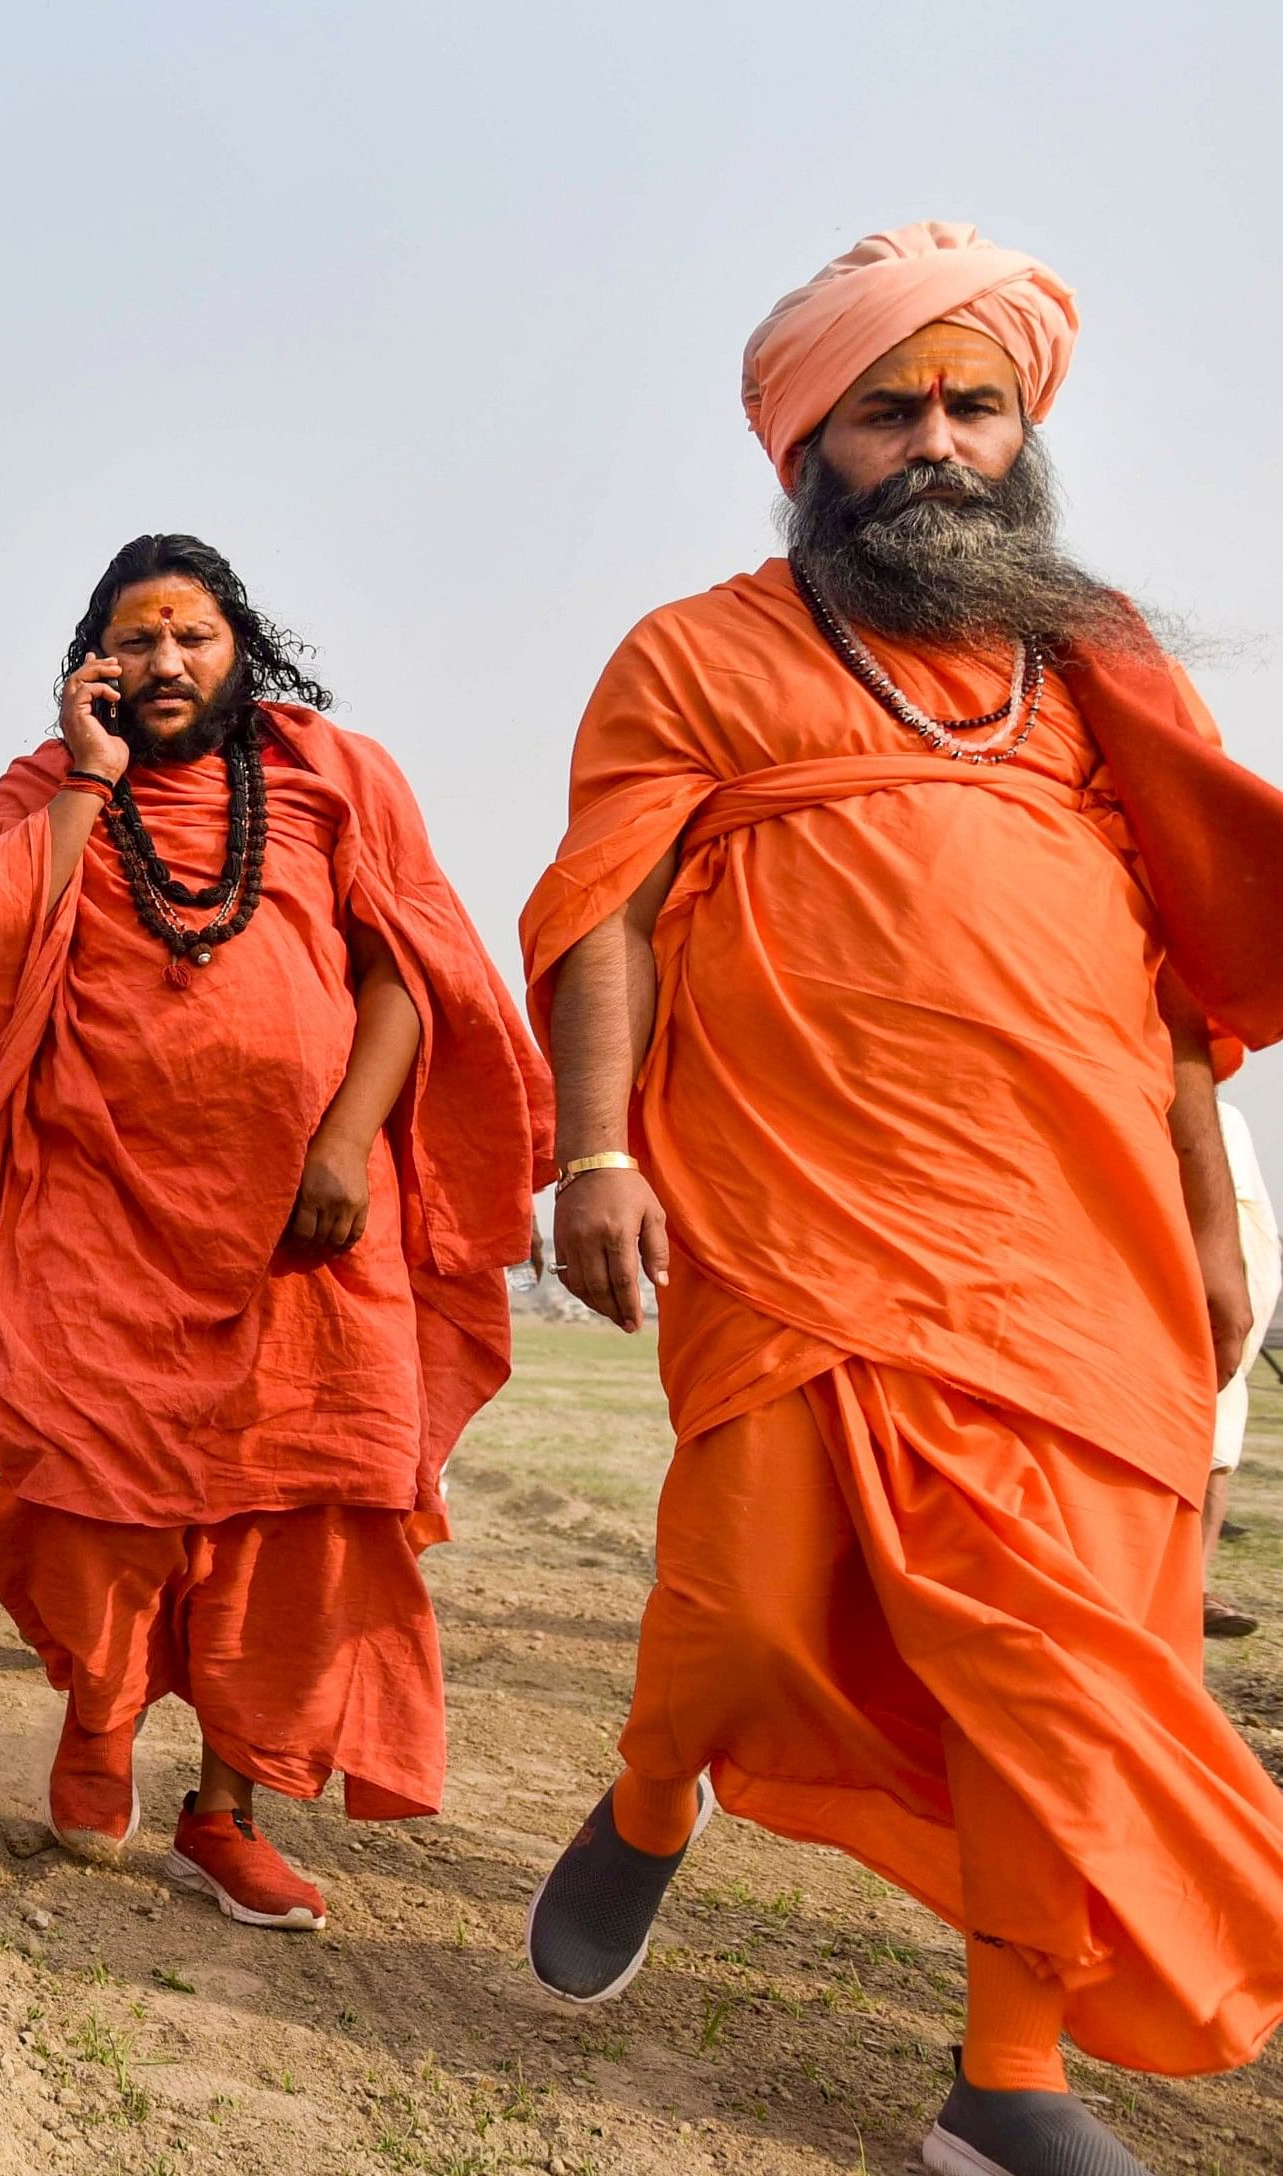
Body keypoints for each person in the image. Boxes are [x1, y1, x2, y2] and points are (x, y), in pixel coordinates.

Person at [518, 225, 1283, 2174]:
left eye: (971, 401)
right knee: (745, 1598)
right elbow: (598, 907)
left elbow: (1174, 975)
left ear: (1022, 426)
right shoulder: (693, 651)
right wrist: (588, 1149)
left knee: (1054, 1657)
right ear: (804, 444)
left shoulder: (1087, 666)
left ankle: (1002, 2077)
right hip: (786, 1214)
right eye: (886, 408)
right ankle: (645, 1787)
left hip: (1075, 1241)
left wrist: (1206, 1231)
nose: (931, 439)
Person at [0, 534, 544, 1935]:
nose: (162, 665)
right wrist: (86, 779)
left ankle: (228, 1808)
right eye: (132, 642)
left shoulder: (331, 774)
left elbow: (410, 977)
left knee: (294, 1513)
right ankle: (98, 1721)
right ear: (92, 664)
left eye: (189, 635)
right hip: (101, 1211)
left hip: (306, 1227)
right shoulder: (47, 786)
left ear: (237, 646)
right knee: (89, 1492)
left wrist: (341, 1147)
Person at [1206, 1105, 1274, 1640]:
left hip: (1221, 1301)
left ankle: (1196, 1586)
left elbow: (1249, 1227)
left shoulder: (1225, 1119)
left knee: (1216, 1452)